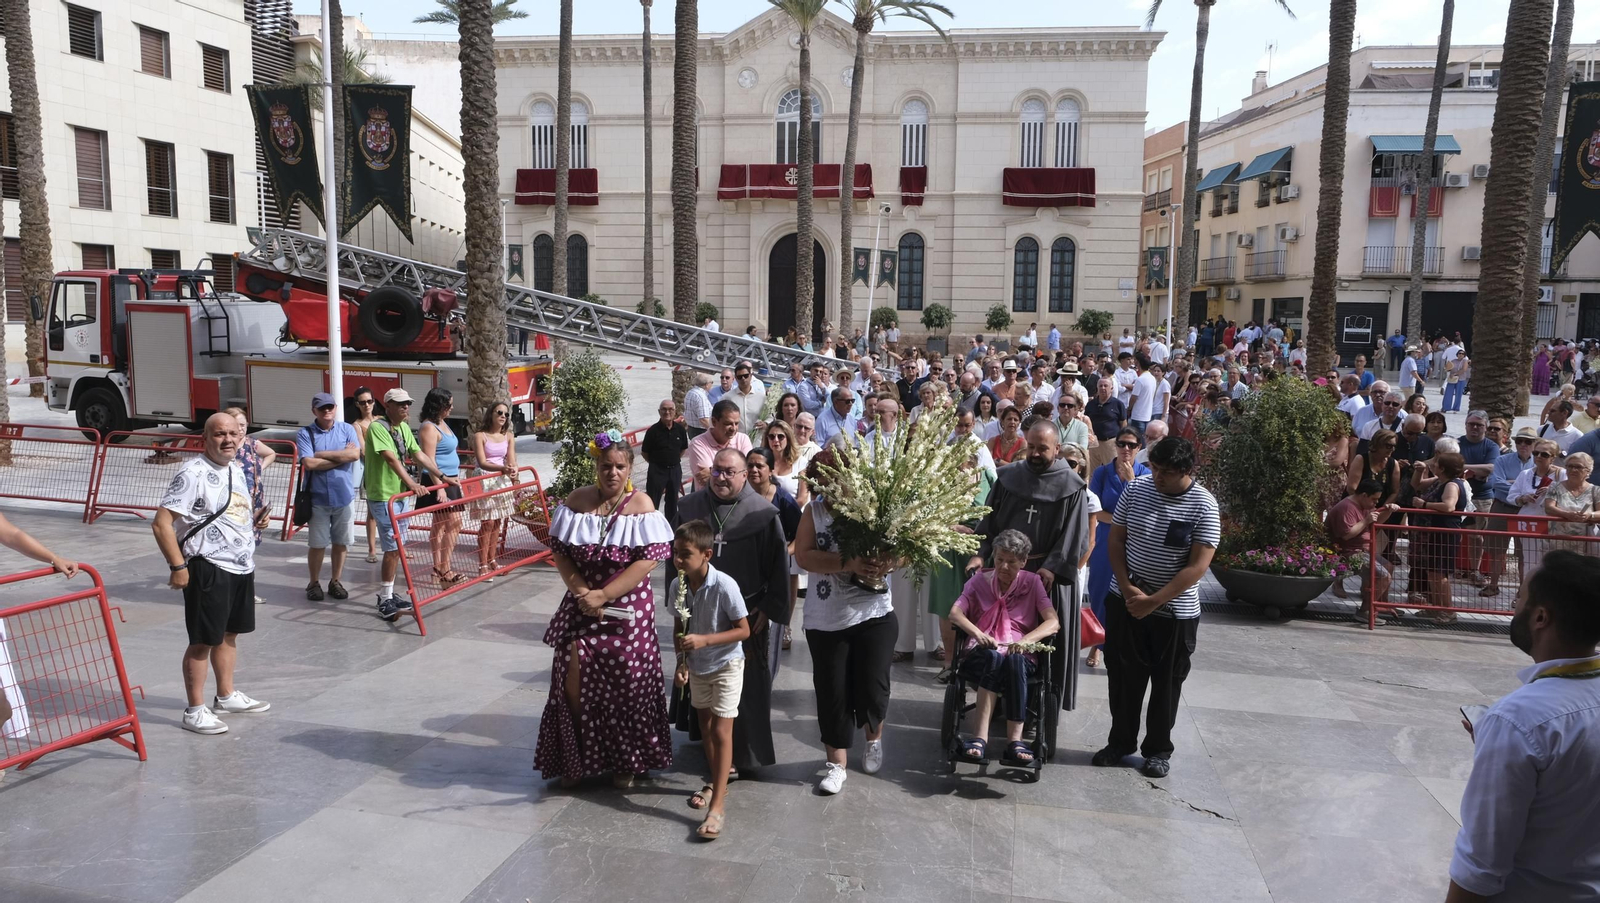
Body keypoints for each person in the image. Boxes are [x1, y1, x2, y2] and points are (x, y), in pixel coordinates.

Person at [1445, 551, 1600, 903]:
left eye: (1520, 598)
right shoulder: (1520, 725)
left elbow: (1481, 864)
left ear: (1540, 617)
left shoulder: (1517, 720)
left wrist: (1507, 743)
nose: (1515, 604)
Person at [535, 436, 673, 787]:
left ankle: (625, 761)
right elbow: (561, 551)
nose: (612, 472)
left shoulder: (641, 504)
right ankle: (575, 757)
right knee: (572, 680)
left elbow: (648, 561)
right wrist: (584, 593)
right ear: (596, 466)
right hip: (582, 605)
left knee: (626, 684)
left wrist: (605, 595)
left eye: (620, 466)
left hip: (627, 611)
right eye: (606, 465)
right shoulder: (577, 501)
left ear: (629, 469)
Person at [1096, 436, 1219, 779]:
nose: (1157, 476)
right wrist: (1127, 587)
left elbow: (1197, 566)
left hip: (1173, 612)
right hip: (1126, 599)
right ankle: (1119, 742)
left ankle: (1158, 750)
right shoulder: (1137, 491)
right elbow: (1116, 538)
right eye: (1153, 468)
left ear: (1186, 471)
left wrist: (1154, 600)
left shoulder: (1204, 504)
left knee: (1166, 683)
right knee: (1122, 677)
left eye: (1166, 472)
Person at [672, 448, 791, 774]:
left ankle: (742, 753)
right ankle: (710, 744)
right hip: (700, 608)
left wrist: (768, 608)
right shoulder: (690, 508)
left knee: (744, 685)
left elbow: (778, 566)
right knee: (702, 676)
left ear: (744, 476)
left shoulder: (763, 514)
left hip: (747, 613)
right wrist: (680, 604)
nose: (722, 478)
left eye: (730, 472)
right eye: (718, 471)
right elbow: (678, 560)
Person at [153, 413, 272, 735]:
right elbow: (161, 523)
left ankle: (226, 695)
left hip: (240, 563)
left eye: (234, 434)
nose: (228, 440)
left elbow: (231, 509)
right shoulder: (193, 472)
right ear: (205, 438)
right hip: (208, 565)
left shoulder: (235, 468)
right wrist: (178, 567)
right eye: (220, 434)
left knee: (229, 633)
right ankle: (194, 710)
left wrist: (255, 521)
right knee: (203, 640)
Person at [794, 449, 900, 794]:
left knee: (872, 686)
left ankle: (873, 738)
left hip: (874, 613)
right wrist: (847, 563)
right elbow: (805, 554)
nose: (828, 487)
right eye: (821, 479)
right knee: (832, 692)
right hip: (826, 619)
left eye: (833, 477)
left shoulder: (874, 506)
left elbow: (903, 548)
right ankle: (836, 765)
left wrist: (888, 562)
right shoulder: (814, 511)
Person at [969, 421, 1091, 714]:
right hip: (1004, 574)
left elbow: (1076, 534)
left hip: (1046, 577)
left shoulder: (1072, 486)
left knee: (1043, 644)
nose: (1035, 454)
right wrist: (979, 554)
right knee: (997, 638)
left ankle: (1038, 702)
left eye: (1043, 449)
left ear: (1057, 449)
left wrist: (1051, 567)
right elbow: (989, 520)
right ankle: (994, 698)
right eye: (1032, 447)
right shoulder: (1008, 477)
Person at [947, 529, 1061, 766]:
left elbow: (1052, 622)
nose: (1003, 566)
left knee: (1014, 660)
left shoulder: (1033, 583)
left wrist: (1024, 641)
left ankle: (1015, 742)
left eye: (1011, 562)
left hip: (1018, 652)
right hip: (982, 651)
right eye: (999, 559)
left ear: (1023, 561)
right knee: (993, 657)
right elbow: (955, 613)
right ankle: (979, 739)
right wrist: (978, 634)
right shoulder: (979, 581)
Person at [667, 519, 751, 841]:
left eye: (685, 554)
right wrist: (681, 663)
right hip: (697, 667)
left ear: (707, 554)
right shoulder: (679, 585)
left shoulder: (725, 585)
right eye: (675, 553)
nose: (678, 560)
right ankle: (717, 782)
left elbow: (743, 630)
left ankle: (716, 807)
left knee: (720, 728)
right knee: (705, 728)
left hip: (727, 663)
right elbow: (678, 629)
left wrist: (705, 641)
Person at [363, 388, 451, 621]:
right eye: (400, 404)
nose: (405, 407)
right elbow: (391, 458)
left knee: (398, 548)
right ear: (388, 405)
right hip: (383, 495)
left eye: (408, 404)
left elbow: (419, 455)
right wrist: (412, 483)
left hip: (399, 496)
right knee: (392, 548)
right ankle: (384, 598)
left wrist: (442, 478)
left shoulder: (402, 428)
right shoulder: (377, 428)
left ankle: (389, 593)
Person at [295, 392, 361, 602]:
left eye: (330, 407)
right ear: (314, 410)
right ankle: (314, 582)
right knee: (317, 544)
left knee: (341, 543)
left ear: (335, 408)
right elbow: (309, 464)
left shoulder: (347, 429)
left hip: (343, 496)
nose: (327, 411)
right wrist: (341, 457)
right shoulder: (306, 433)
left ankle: (335, 580)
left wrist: (321, 454)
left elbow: (354, 455)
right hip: (317, 498)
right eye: (322, 408)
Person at [1326, 479, 1397, 621]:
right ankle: (1365, 611)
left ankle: (1376, 604)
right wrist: (1365, 521)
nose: (1376, 503)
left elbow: (1375, 521)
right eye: (1374, 499)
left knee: (1388, 566)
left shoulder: (1365, 505)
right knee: (1383, 576)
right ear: (1364, 495)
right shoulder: (1346, 507)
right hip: (1349, 552)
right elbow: (1347, 535)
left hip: (1364, 550)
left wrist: (1388, 512)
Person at [1412, 452, 1470, 624]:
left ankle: (1448, 611)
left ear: (1443, 468)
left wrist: (1424, 505)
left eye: (1436, 464)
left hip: (1445, 534)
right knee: (1432, 573)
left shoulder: (1452, 485)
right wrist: (1419, 470)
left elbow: (1449, 506)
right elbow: (1418, 484)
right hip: (1433, 533)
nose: (1433, 466)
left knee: (1440, 573)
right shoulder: (1440, 481)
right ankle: (1436, 608)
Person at [417, 389, 467, 586]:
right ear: (438, 405)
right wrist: (440, 488)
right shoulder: (429, 427)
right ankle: (444, 568)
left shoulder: (442, 423)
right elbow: (429, 460)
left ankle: (439, 568)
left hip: (451, 480)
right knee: (453, 523)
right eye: (448, 405)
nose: (452, 408)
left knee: (442, 525)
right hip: (438, 481)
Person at [471, 401, 519, 580]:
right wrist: (502, 469)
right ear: (491, 413)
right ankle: (482, 564)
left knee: (498, 521)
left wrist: (514, 470)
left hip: (502, 480)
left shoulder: (508, 436)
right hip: (485, 479)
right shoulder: (480, 436)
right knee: (487, 523)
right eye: (499, 412)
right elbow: (482, 461)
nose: (503, 416)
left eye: (506, 414)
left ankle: (492, 560)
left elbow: (512, 459)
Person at [1541, 452, 1600, 561]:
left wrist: (1589, 515)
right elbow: (1549, 508)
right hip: (1558, 542)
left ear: (1588, 470)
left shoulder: (1595, 490)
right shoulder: (1555, 487)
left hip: (1586, 544)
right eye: (1570, 466)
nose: (1573, 470)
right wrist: (1567, 514)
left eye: (1578, 467)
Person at [641, 398, 689, 523]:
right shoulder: (652, 431)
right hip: (657, 471)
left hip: (674, 470)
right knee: (653, 501)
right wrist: (656, 464)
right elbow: (645, 452)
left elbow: (683, 449)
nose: (667, 412)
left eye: (670, 409)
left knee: (672, 501)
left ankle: (671, 529)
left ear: (675, 412)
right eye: (664, 409)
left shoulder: (680, 430)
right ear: (659, 411)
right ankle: (651, 527)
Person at [688, 399, 753, 490]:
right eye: (728, 423)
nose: (734, 428)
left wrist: (712, 472)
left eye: (737, 423)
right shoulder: (698, 444)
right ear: (714, 422)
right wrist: (738, 473)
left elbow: (750, 473)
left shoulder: (743, 439)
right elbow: (706, 480)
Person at [350, 386, 381, 563]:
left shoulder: (381, 420)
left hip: (388, 470)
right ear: (357, 404)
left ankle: (396, 546)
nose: (367, 405)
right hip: (371, 471)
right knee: (372, 512)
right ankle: (372, 549)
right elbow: (363, 450)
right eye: (363, 402)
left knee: (395, 509)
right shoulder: (357, 425)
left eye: (369, 401)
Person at [727, 361, 766, 433]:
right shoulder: (727, 398)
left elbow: (770, 417)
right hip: (735, 440)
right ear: (735, 378)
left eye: (746, 376)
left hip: (756, 441)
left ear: (751, 376)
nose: (743, 379)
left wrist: (766, 424)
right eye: (739, 377)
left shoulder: (761, 397)